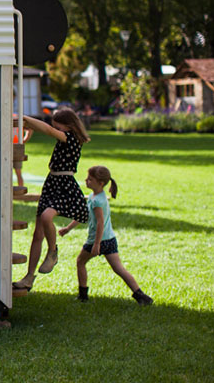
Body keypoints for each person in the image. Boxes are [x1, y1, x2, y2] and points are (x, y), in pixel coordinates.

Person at [13, 107, 89, 291]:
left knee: (47, 217)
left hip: (64, 186)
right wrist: (25, 122)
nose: (56, 130)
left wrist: (24, 118)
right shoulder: (64, 135)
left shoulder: (71, 138)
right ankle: (29, 277)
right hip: (52, 183)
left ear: (68, 126)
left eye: (58, 127)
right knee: (37, 234)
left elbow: (47, 129)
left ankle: (52, 251)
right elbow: (46, 128)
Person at [58, 165, 153, 305]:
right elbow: (83, 216)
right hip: (109, 239)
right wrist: (68, 228)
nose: (86, 180)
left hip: (97, 241)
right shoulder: (95, 197)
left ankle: (83, 295)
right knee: (119, 269)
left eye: (90, 179)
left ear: (100, 183)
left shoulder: (97, 201)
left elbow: (100, 223)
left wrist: (96, 244)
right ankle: (141, 296)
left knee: (80, 262)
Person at [12, 122, 33, 187]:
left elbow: (30, 130)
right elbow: (30, 130)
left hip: (16, 147)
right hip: (17, 147)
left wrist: (24, 140)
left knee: (17, 172)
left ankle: (20, 188)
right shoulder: (17, 118)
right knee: (18, 172)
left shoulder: (16, 119)